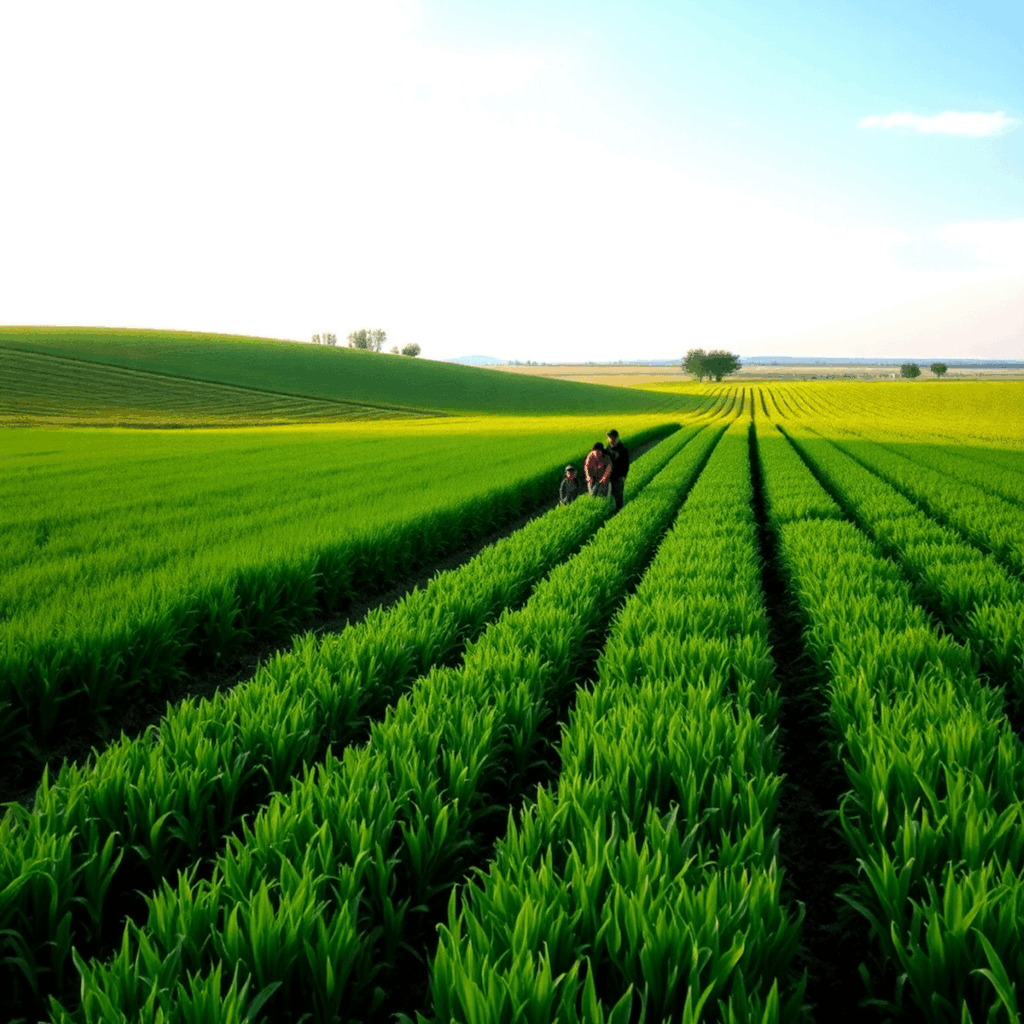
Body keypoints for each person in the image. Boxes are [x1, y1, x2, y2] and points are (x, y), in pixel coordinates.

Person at [605, 429, 630, 512]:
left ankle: (619, 512)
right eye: (610, 437)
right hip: (608, 478)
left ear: (617, 438)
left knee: (618, 496)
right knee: (609, 497)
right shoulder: (606, 450)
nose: (611, 439)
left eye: (613, 437)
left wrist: (623, 476)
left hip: (618, 477)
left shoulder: (623, 450)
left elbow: (626, 465)